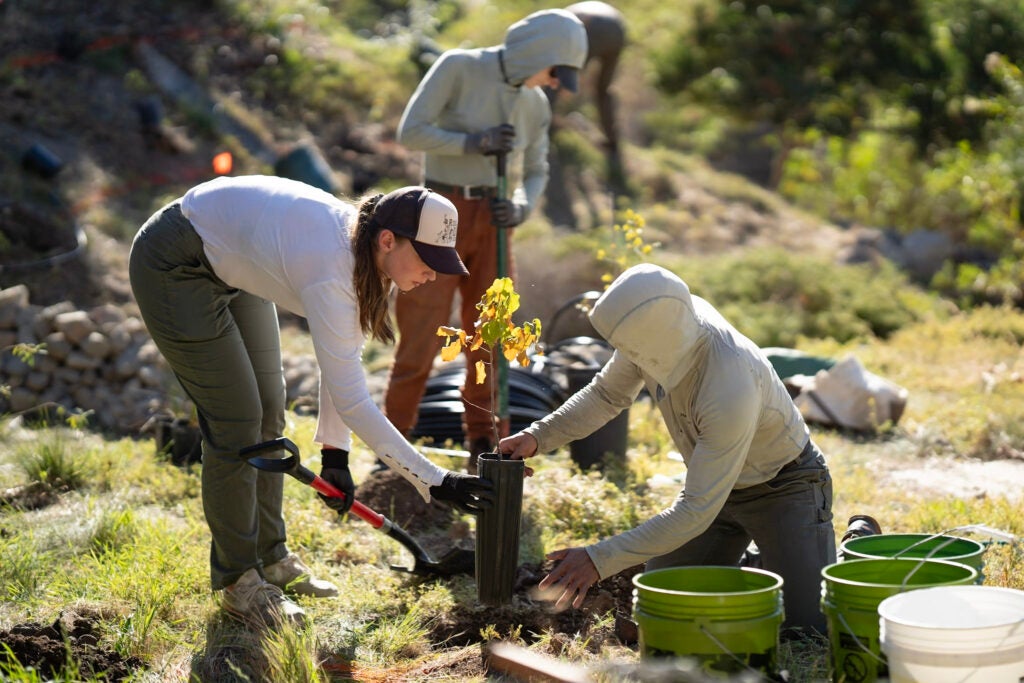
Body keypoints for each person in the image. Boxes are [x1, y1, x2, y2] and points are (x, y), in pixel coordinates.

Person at [129, 175, 495, 627]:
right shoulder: (333, 267)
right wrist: (434, 480)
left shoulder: (368, 260)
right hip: (177, 260)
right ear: (388, 240)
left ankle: (272, 555)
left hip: (229, 258)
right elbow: (354, 399)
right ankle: (238, 581)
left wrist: (334, 454)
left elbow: (339, 363)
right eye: (427, 259)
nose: (433, 274)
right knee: (238, 421)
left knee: (269, 410)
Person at [500, 263, 836, 636]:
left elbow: (693, 510)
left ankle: (818, 543)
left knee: (807, 631)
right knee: (657, 609)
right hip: (714, 493)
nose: (620, 352)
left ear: (654, 339)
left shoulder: (728, 385)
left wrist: (597, 559)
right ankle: (762, 558)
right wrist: (538, 436)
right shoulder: (659, 330)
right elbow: (606, 394)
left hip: (784, 488)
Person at [383, 9, 588, 468]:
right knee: (420, 336)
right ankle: (391, 446)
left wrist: (519, 206)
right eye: (556, 72)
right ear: (538, 54)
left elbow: (536, 170)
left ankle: (483, 444)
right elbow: (410, 131)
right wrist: (473, 143)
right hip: (437, 214)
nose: (555, 84)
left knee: (490, 335)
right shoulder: (459, 66)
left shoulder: (535, 104)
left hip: (494, 220)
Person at [544, 1, 628, 228]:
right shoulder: (567, 18)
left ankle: (546, 130)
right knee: (603, 89)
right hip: (617, 27)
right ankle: (612, 142)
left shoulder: (559, 25)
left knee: (557, 79)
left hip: (592, 27)